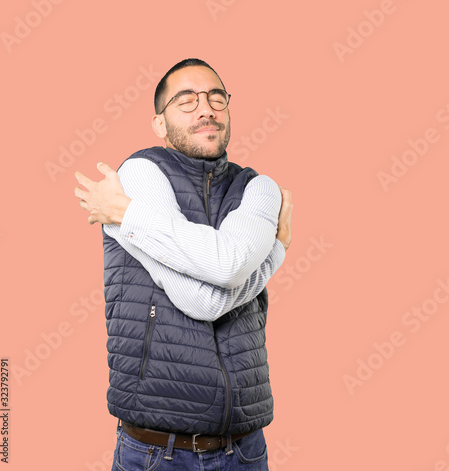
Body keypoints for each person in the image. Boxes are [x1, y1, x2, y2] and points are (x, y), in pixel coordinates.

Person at [74, 58, 293, 470]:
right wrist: (277, 251)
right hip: (156, 452)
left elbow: (225, 268)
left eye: (215, 98)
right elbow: (204, 299)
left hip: (245, 450)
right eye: (186, 100)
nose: (206, 108)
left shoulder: (261, 190)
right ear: (160, 123)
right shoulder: (139, 174)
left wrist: (131, 217)